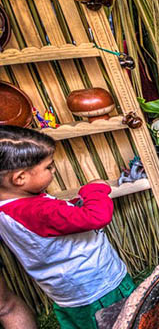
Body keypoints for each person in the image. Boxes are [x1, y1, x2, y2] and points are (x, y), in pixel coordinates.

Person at [0, 126, 134, 329]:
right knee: (127, 320)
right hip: (98, 288)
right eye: (48, 167)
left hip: (68, 294)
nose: (54, 170)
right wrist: (95, 190)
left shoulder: (9, 208)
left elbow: (54, 220)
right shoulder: (38, 210)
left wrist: (73, 204)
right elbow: (96, 217)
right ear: (20, 178)